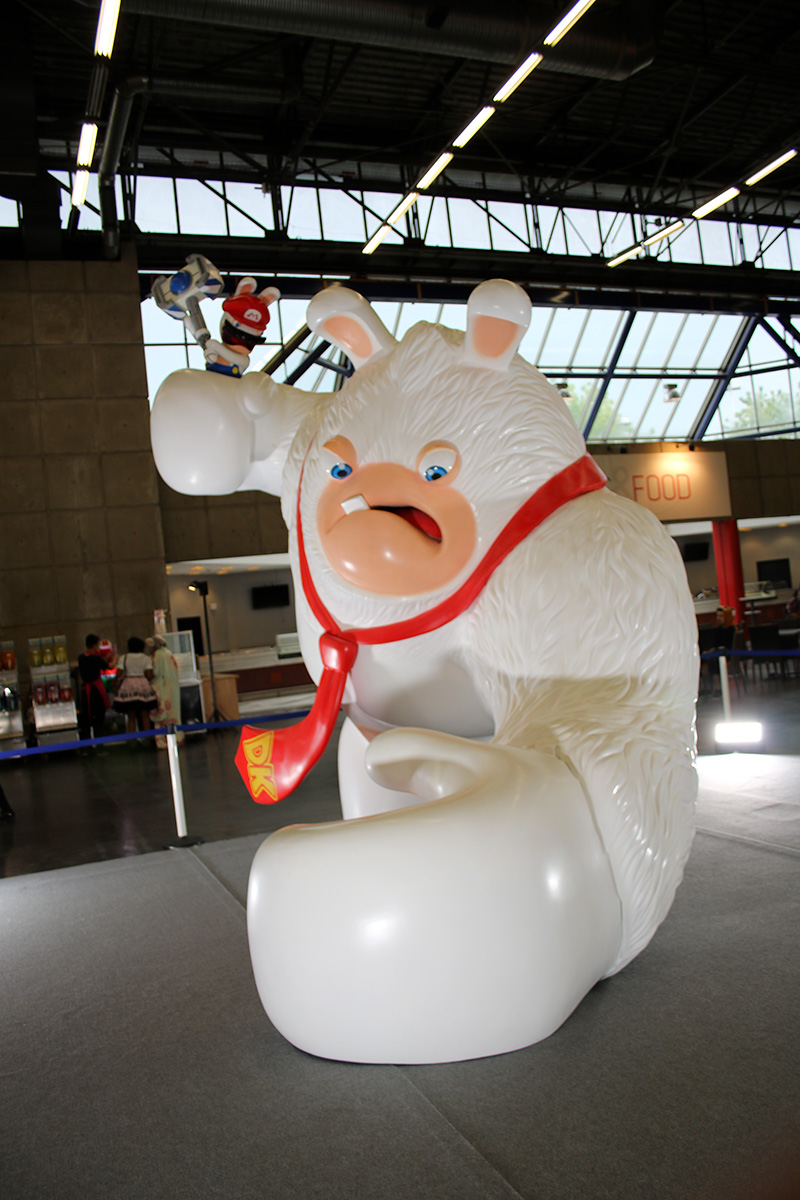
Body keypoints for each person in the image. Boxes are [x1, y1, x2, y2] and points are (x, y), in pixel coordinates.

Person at [113, 637, 158, 735]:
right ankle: (147, 737)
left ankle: (132, 739)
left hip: (128, 685)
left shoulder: (124, 657)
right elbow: (149, 675)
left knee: (131, 715)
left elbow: (118, 673)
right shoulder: (145, 658)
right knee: (145, 714)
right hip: (142, 684)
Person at [146, 636, 184, 749]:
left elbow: (156, 672)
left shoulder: (157, 655)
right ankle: (178, 738)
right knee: (174, 714)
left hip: (162, 688)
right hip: (173, 688)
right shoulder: (169, 653)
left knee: (161, 715)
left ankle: (162, 741)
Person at [77, 633, 110, 747]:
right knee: (99, 716)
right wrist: (114, 657)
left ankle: (87, 744)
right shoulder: (96, 659)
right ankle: (99, 743)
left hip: (85, 691)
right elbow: (108, 666)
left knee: (87, 717)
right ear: (95, 645)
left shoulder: (81, 658)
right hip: (96, 691)